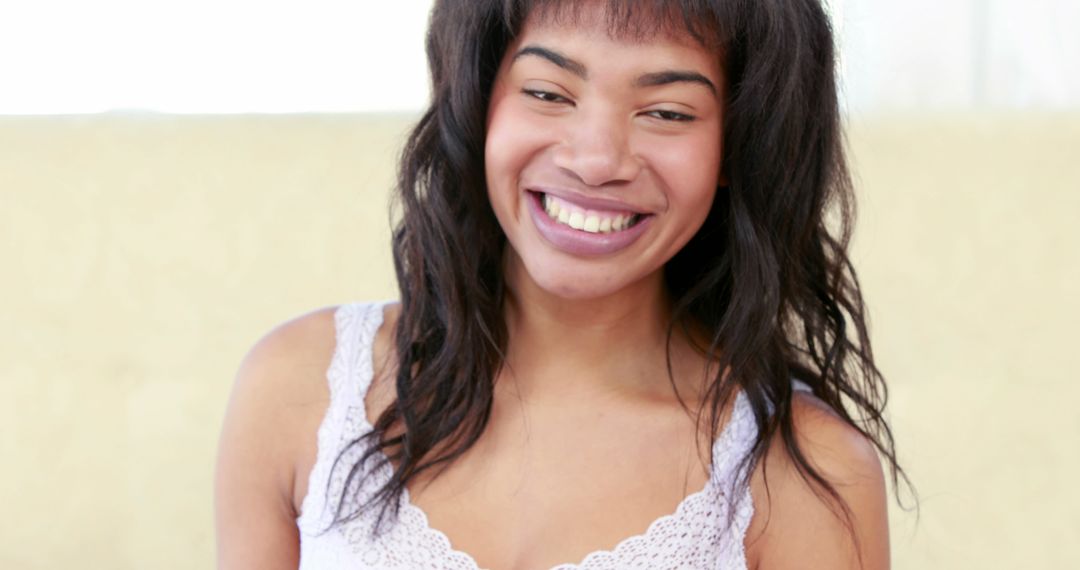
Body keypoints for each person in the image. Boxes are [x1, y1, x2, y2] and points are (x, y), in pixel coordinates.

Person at [215, 1, 911, 568]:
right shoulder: (299, 388)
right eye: (548, 93)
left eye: (667, 111)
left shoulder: (805, 476)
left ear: (739, 144)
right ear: (478, 102)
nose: (596, 159)